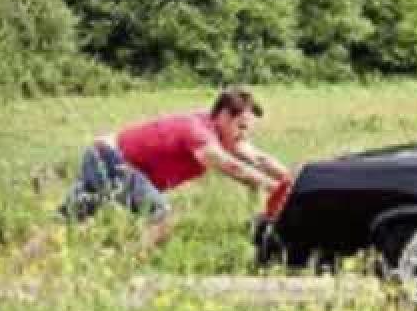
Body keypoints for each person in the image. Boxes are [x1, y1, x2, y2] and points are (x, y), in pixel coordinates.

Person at [57, 86, 289, 252]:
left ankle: (35, 259)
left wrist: (292, 180)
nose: (244, 135)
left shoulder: (222, 132)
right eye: (242, 127)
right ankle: (125, 264)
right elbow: (232, 167)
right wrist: (274, 188)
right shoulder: (198, 132)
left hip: (103, 156)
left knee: (67, 223)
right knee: (162, 217)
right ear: (225, 115)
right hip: (109, 159)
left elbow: (259, 158)